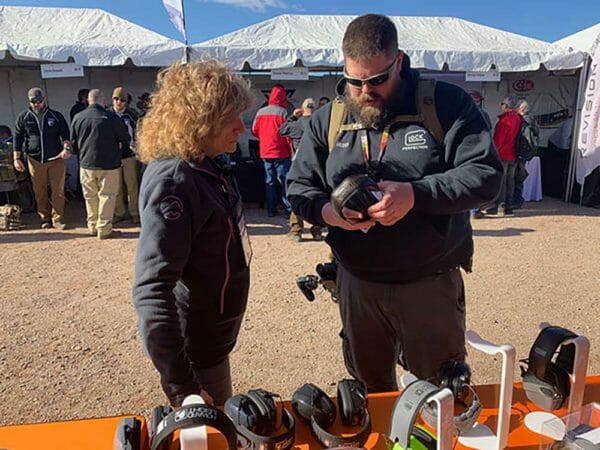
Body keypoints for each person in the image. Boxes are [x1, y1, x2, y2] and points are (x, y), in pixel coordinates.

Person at [286, 14, 502, 392]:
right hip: (357, 283)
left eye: (377, 80)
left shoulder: (445, 104)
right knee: (370, 394)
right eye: (354, 81)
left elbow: (485, 176)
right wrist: (329, 214)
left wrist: (415, 194)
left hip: (428, 284)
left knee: (439, 394)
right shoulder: (329, 118)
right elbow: (299, 186)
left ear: (399, 61)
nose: (365, 91)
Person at [132, 61, 253, 407]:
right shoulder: (175, 180)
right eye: (232, 117)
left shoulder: (205, 164)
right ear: (202, 119)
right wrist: (183, 387)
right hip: (196, 356)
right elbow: (152, 289)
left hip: (212, 344)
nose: (241, 128)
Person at [71, 89, 130, 239]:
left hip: (86, 164)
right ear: (102, 101)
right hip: (109, 165)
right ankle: (104, 228)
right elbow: (125, 139)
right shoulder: (111, 118)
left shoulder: (78, 117)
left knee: (90, 196)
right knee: (107, 196)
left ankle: (92, 226)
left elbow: (73, 144)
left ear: (88, 100)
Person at [13, 87, 71, 229]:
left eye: (39, 101)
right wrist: (17, 158)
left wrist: (66, 149)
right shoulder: (24, 117)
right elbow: (18, 138)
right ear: (29, 101)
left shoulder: (55, 116)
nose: (37, 104)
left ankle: (58, 219)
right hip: (34, 159)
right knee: (40, 190)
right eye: (34, 102)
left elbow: (65, 135)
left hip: (56, 158)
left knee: (58, 190)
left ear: (44, 99)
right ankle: (44, 218)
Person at [279, 97, 324, 241]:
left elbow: (281, 130)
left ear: (302, 108)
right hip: (318, 165)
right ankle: (316, 231)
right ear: (315, 108)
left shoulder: (296, 124)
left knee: (297, 195)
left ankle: (296, 231)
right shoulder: (320, 123)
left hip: (299, 165)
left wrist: (293, 115)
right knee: (319, 196)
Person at [251, 84, 293, 217]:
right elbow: (288, 134)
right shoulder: (284, 112)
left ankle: (271, 210)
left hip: (266, 152)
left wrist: (264, 138)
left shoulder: (260, 112)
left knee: (269, 182)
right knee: (284, 182)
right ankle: (288, 211)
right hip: (282, 153)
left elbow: (254, 131)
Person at [108, 86, 140, 225]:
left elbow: (139, 132)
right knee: (116, 186)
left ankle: (135, 212)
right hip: (113, 155)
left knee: (132, 185)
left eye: (122, 100)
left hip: (129, 155)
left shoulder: (132, 115)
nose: (118, 102)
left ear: (126, 102)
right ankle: (119, 212)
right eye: (116, 99)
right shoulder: (107, 114)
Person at [492, 95, 521, 216]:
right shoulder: (519, 119)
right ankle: (509, 206)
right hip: (514, 155)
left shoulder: (504, 121)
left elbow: (498, 140)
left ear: (505, 106)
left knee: (502, 181)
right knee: (510, 181)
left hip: (503, 154)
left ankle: (501, 205)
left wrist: (494, 154)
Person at [469, 91, 494, 219]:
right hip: (479, 151)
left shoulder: (462, 113)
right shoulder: (483, 114)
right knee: (477, 180)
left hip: (466, 151)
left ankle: (470, 210)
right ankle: (474, 210)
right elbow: (488, 132)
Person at [513, 99, 539, 208]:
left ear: (521, 109)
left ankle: (516, 200)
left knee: (516, 178)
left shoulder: (522, 120)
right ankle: (518, 200)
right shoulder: (532, 120)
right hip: (527, 153)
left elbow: (518, 137)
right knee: (520, 176)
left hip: (519, 152)